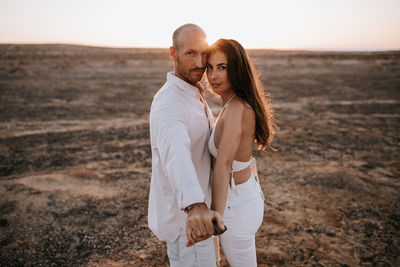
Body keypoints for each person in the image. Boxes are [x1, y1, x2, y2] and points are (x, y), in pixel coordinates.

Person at [148, 24, 225, 267]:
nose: (200, 62)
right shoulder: (169, 102)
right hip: (187, 223)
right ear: (173, 53)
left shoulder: (192, 93)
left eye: (204, 54)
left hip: (201, 216)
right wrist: (195, 205)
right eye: (190, 53)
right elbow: (175, 153)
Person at [206, 39, 275, 267]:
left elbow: (224, 164)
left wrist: (216, 215)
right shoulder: (234, 103)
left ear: (237, 69)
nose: (213, 75)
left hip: (236, 204)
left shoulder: (237, 108)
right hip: (243, 195)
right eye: (210, 67)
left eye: (222, 67)